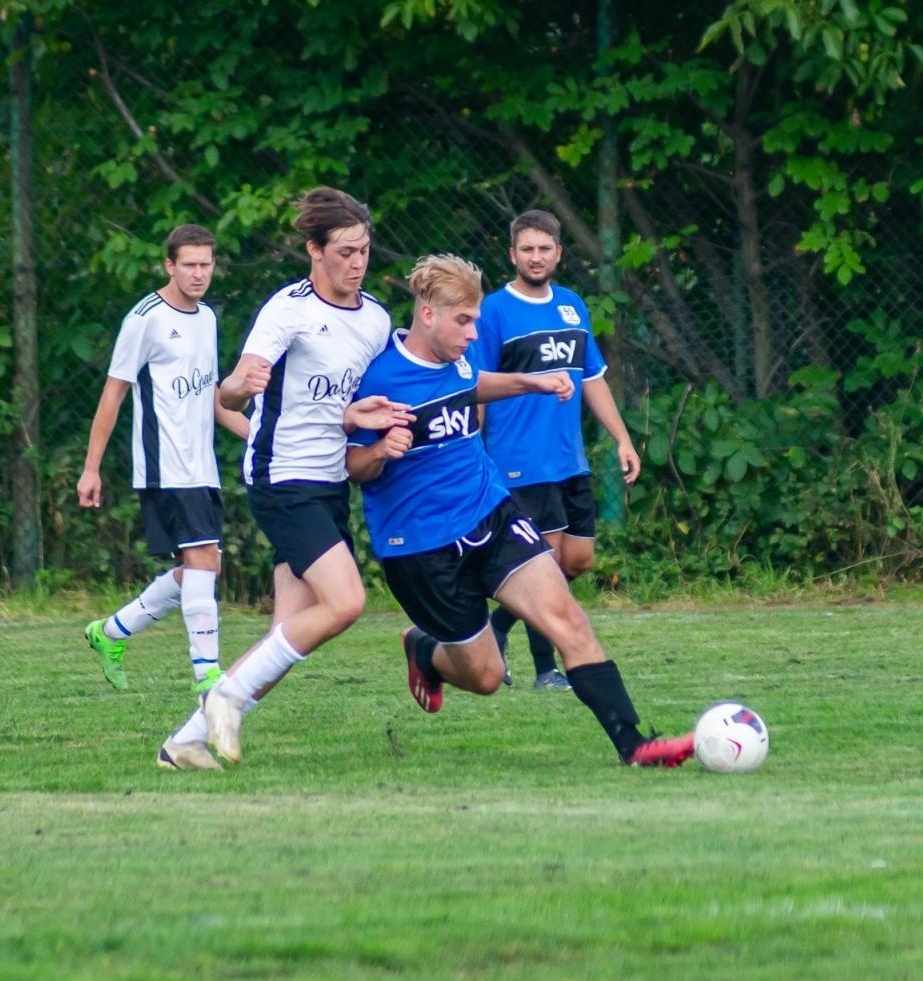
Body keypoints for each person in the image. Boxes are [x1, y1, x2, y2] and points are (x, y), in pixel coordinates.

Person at [346, 253, 691, 767]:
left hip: (491, 513)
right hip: (421, 547)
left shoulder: (458, 356)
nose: (471, 332)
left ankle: (635, 744)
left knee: (568, 619)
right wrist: (379, 452)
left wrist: (531, 381)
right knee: (485, 678)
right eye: (462, 321)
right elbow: (354, 466)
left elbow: (472, 383)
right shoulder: (383, 380)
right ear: (427, 314)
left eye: (475, 320)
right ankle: (425, 652)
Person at [155, 187, 411, 771]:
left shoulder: (374, 319)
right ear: (313, 251)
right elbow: (229, 389)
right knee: (345, 603)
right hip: (282, 478)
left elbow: (345, 406)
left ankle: (184, 743)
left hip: (329, 482)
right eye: (344, 251)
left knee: (283, 639)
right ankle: (222, 698)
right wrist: (240, 386)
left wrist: (359, 416)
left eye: (364, 251)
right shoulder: (287, 310)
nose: (356, 262)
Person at [470, 210, 640, 690]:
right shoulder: (494, 312)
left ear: (559, 253)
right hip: (520, 461)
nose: (536, 257)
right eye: (527, 249)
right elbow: (478, 387)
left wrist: (622, 438)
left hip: (570, 460)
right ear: (512, 254)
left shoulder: (571, 305)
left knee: (578, 560)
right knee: (541, 562)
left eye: (544, 248)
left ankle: (497, 626)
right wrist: (474, 453)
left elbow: (593, 379)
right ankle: (547, 670)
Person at [77, 224, 248, 694]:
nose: (198, 274)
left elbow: (213, 398)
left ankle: (111, 632)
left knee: (203, 566)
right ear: (169, 265)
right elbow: (113, 395)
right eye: (189, 264)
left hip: (201, 465)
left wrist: (258, 437)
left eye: (206, 264)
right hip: (165, 466)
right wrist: (91, 469)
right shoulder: (145, 318)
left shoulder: (208, 318)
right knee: (202, 561)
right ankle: (207, 675)